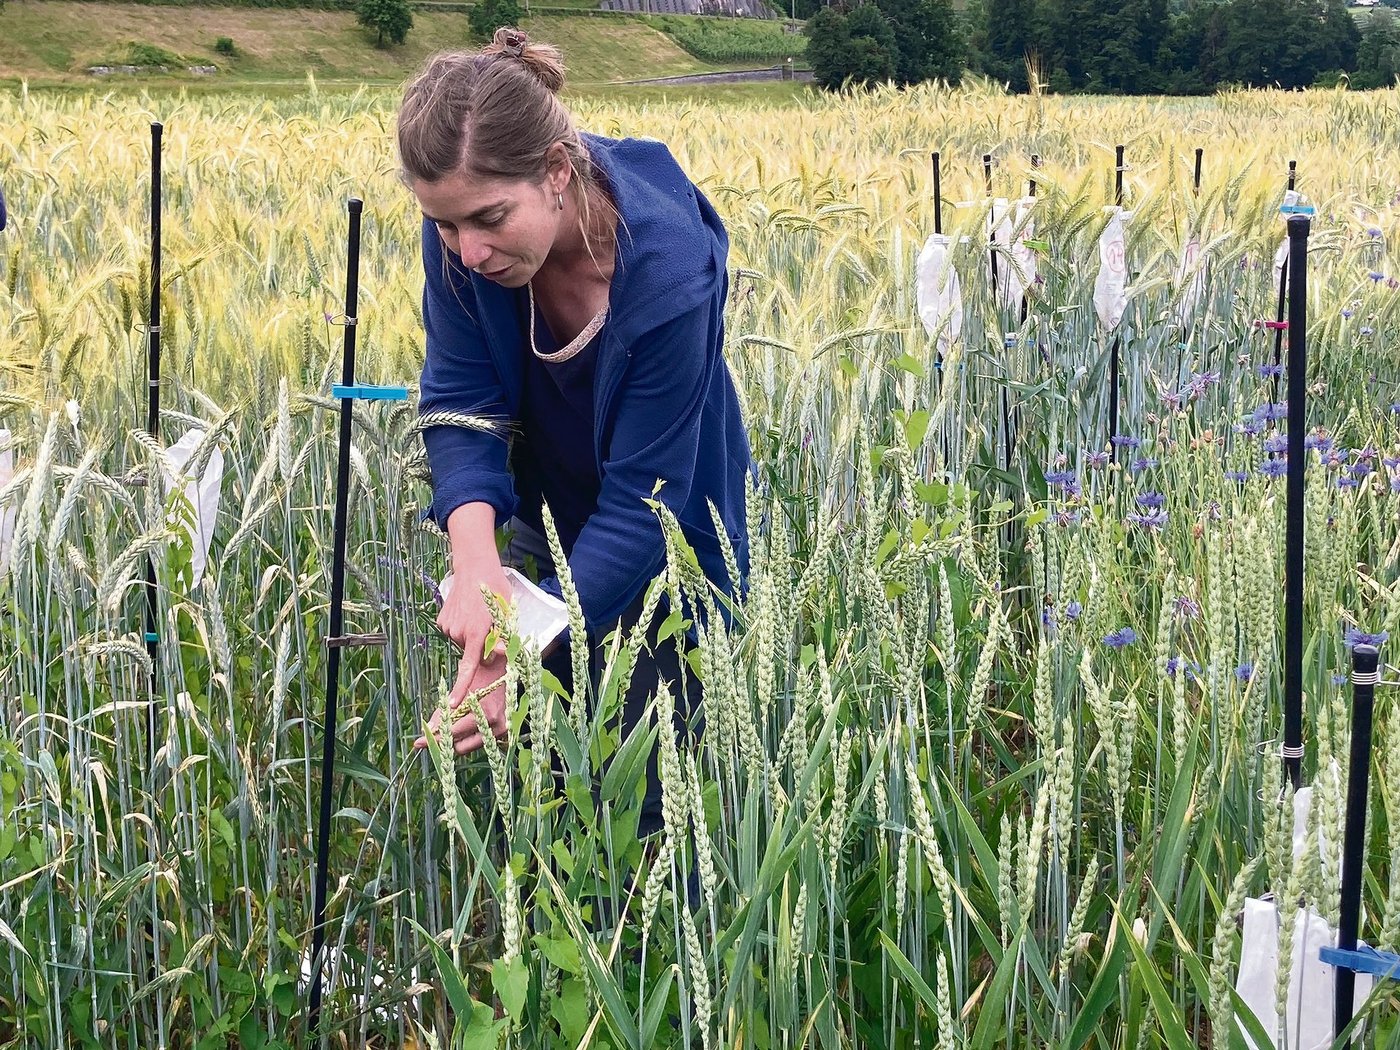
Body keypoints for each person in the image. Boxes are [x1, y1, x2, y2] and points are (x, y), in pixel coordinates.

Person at [399, 29, 753, 840]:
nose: (468, 251)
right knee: (547, 781)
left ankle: (647, 922)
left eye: (489, 219)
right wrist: (476, 566)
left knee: (650, 794)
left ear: (558, 170)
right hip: (546, 514)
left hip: (671, 544)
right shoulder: (463, 217)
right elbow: (460, 400)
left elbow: (642, 506)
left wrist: (516, 650)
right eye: (444, 226)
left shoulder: (669, 272)